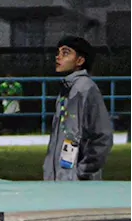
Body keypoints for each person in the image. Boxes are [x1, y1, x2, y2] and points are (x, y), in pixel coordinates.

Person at [43, 36, 112, 181]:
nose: (58, 57)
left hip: (77, 182)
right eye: (58, 52)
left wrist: (84, 171)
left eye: (66, 53)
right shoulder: (67, 89)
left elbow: (102, 135)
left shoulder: (84, 88)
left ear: (80, 61)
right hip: (60, 178)